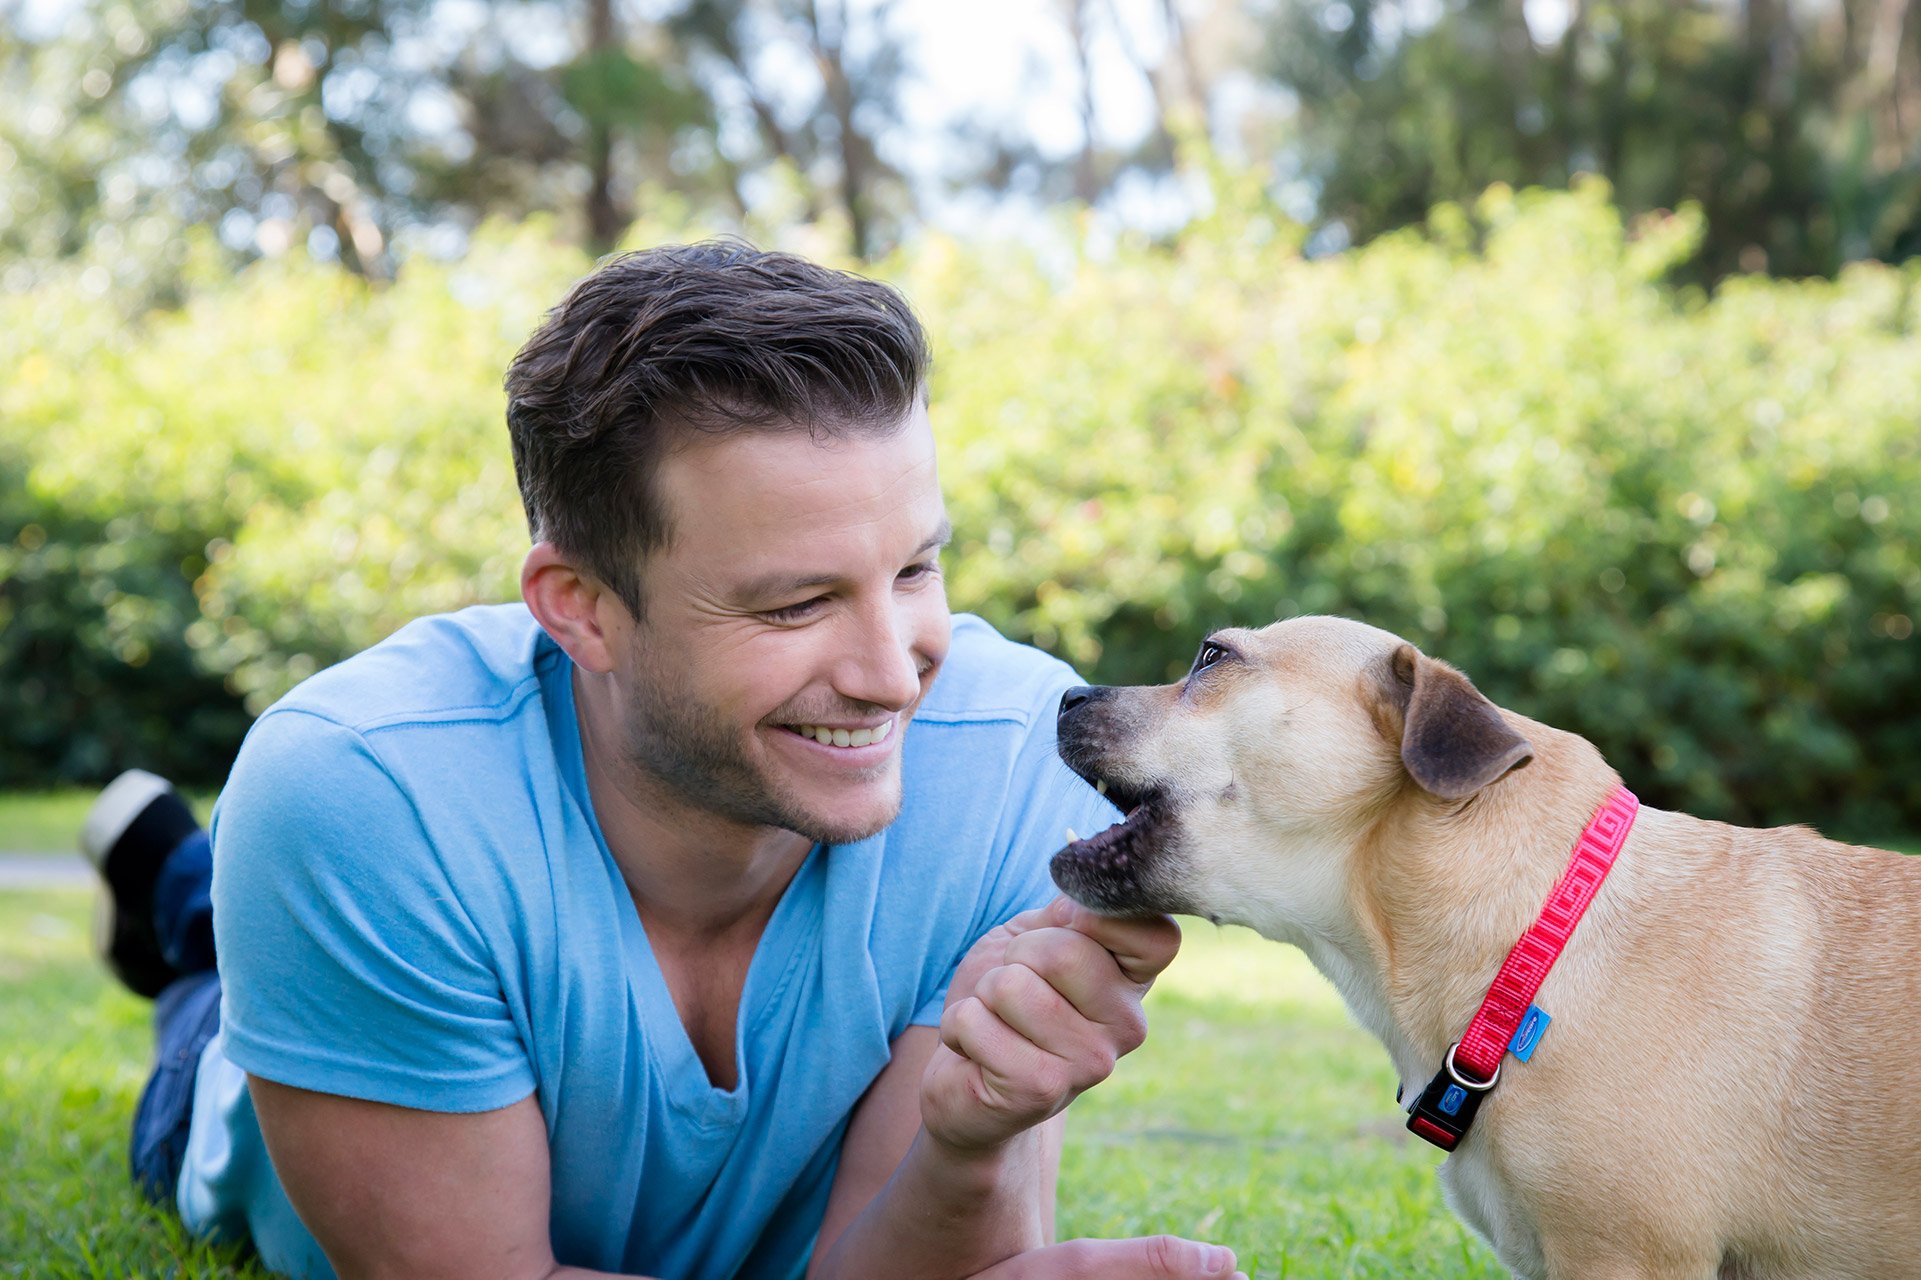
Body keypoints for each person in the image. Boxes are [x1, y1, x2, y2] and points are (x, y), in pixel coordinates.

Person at [79, 242, 1246, 1280]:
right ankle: (187, 906)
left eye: (913, 570)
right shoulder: (358, 790)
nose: (896, 673)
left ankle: (179, 883)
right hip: (239, 1102)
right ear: (579, 605)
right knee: (209, 1014)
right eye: (796, 604)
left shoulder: (1012, 757)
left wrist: (970, 1133)